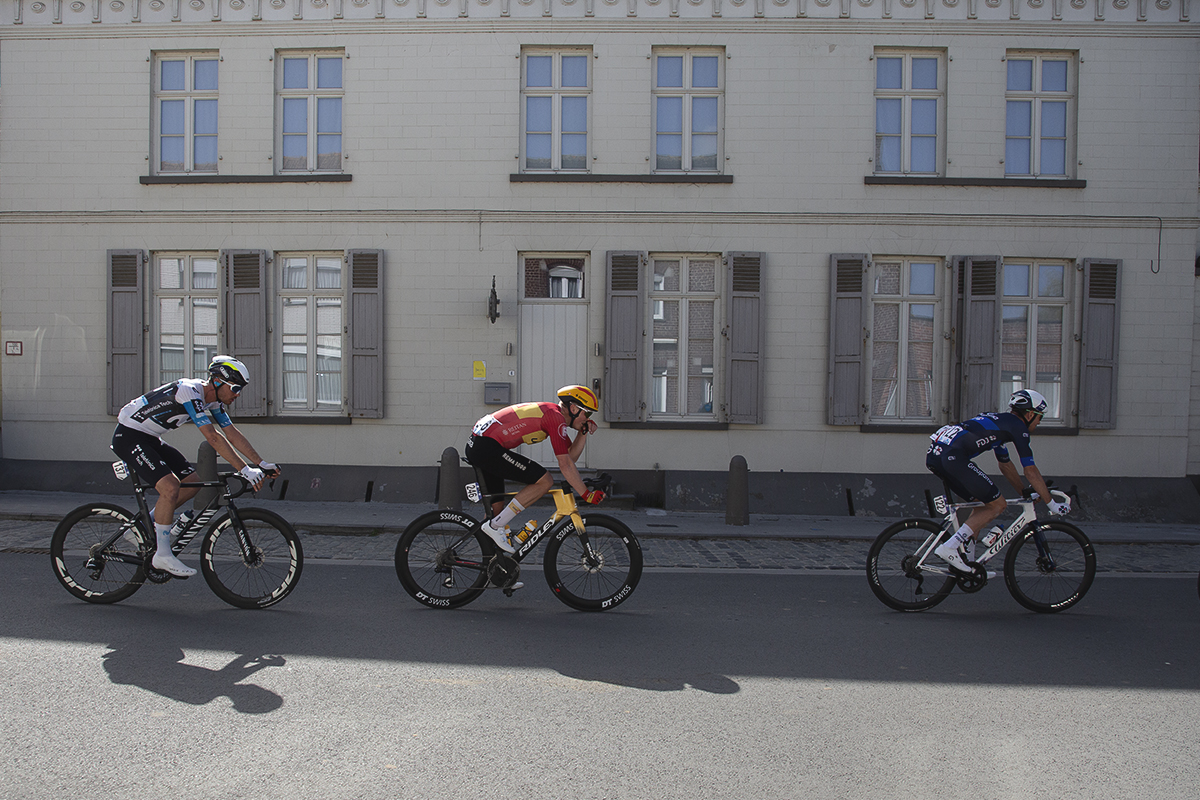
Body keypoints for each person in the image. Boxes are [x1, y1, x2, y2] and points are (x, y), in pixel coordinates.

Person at [110, 355, 279, 578]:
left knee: (191, 483)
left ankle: (142, 527)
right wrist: (244, 470)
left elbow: (231, 433)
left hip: (150, 438)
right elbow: (213, 437)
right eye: (236, 388)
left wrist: (260, 463)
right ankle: (162, 554)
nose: (238, 394)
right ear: (218, 382)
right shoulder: (189, 391)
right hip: (129, 436)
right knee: (170, 487)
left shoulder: (214, 401)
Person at [926, 389, 1070, 573]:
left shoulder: (1000, 422)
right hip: (953, 458)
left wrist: (1023, 492)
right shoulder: (1018, 427)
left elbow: (1005, 464)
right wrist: (1051, 503)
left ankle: (967, 561)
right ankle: (950, 547)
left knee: (980, 506)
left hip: (937, 456)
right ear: (1030, 414)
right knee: (997, 505)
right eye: (1040, 417)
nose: (1040, 422)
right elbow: (1030, 470)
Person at [465, 384, 606, 555]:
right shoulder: (555, 418)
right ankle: (496, 526)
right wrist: (586, 494)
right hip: (486, 446)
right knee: (545, 481)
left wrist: (582, 432)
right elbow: (566, 465)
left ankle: (495, 570)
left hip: (481, 443)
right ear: (574, 408)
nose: (588, 418)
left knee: (495, 513)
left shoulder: (555, 415)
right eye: (587, 413)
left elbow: (570, 457)